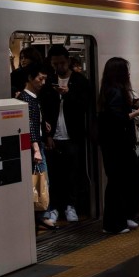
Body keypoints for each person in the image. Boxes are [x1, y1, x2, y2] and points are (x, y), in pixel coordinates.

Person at [97, 57, 139, 234]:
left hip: (112, 145)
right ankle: (115, 223)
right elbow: (115, 119)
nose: (128, 73)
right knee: (128, 180)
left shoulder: (108, 91)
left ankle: (121, 218)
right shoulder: (116, 92)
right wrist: (137, 113)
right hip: (118, 145)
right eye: (125, 70)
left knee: (120, 181)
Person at [41, 45, 92, 225]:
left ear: (68, 61)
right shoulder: (48, 81)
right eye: (55, 64)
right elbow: (44, 109)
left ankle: (71, 206)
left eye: (62, 63)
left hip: (73, 135)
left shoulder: (80, 81)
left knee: (73, 173)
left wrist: (68, 95)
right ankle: (54, 207)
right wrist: (46, 135)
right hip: (53, 135)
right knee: (54, 175)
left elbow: (84, 106)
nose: (59, 67)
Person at [17, 64, 56, 230]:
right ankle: (41, 216)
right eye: (40, 78)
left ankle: (39, 216)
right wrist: (37, 149)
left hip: (35, 144)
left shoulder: (31, 97)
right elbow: (29, 126)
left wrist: (43, 123)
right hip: (34, 146)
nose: (43, 82)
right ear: (30, 79)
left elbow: (34, 122)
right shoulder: (27, 98)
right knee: (40, 181)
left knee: (38, 181)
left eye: (45, 78)